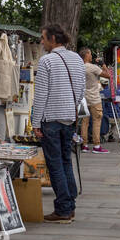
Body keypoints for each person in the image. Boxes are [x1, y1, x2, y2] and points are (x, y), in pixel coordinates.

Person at [31, 24, 86, 223]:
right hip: (70, 118)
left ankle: (63, 208)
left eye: (43, 38)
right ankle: (69, 205)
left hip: (51, 119)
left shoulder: (47, 61)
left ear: (53, 39)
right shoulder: (78, 59)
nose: (42, 42)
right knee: (65, 161)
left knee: (55, 164)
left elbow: (41, 95)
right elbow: (81, 91)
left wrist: (35, 122)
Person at [79, 48, 107, 154]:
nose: (91, 56)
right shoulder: (93, 67)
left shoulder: (79, 67)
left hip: (82, 99)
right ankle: (96, 146)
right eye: (90, 54)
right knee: (97, 121)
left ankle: (84, 145)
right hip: (94, 98)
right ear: (86, 54)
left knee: (84, 123)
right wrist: (102, 64)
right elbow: (107, 75)